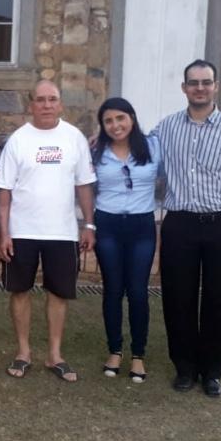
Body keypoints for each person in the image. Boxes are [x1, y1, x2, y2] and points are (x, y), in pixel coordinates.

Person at [154, 59, 221, 397]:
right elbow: (136, 147)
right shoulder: (167, 127)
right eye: (193, 82)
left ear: (216, 86)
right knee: (178, 298)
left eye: (206, 82)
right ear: (184, 88)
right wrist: (100, 137)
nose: (199, 88)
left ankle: (213, 371)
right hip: (180, 224)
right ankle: (185, 368)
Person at [0, 80, 96, 383]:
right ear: (31, 105)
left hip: (62, 232)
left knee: (59, 293)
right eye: (40, 99)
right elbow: (3, 192)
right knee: (19, 291)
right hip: (22, 231)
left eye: (52, 99)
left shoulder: (74, 138)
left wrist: (89, 224)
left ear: (60, 104)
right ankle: (23, 352)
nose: (47, 105)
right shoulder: (18, 140)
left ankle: (54, 354)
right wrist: (5, 232)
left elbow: (84, 185)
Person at [92, 97, 161, 383]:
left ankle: (138, 355)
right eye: (108, 121)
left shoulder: (154, 147)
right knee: (112, 289)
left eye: (120, 118)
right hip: (107, 225)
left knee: (137, 291)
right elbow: (85, 186)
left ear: (132, 117)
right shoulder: (95, 151)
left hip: (141, 226)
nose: (115, 125)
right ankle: (115, 350)